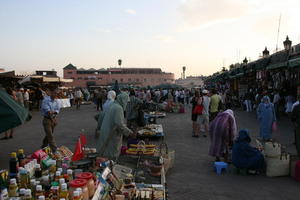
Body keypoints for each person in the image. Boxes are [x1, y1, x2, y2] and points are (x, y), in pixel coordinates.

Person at [96, 92, 134, 160]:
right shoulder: (118, 108)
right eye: (126, 102)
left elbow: (102, 116)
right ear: (123, 100)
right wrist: (129, 133)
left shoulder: (113, 105)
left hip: (106, 131)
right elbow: (119, 124)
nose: (127, 104)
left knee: (106, 151)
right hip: (111, 134)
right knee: (111, 153)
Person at [41, 89, 61, 153]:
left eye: (57, 94)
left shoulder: (56, 101)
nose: (56, 95)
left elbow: (57, 110)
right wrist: (53, 118)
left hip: (53, 119)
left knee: (49, 135)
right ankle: (55, 151)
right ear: (51, 93)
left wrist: (54, 116)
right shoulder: (46, 100)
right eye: (54, 93)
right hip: (47, 120)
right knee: (50, 136)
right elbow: (48, 112)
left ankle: (43, 147)